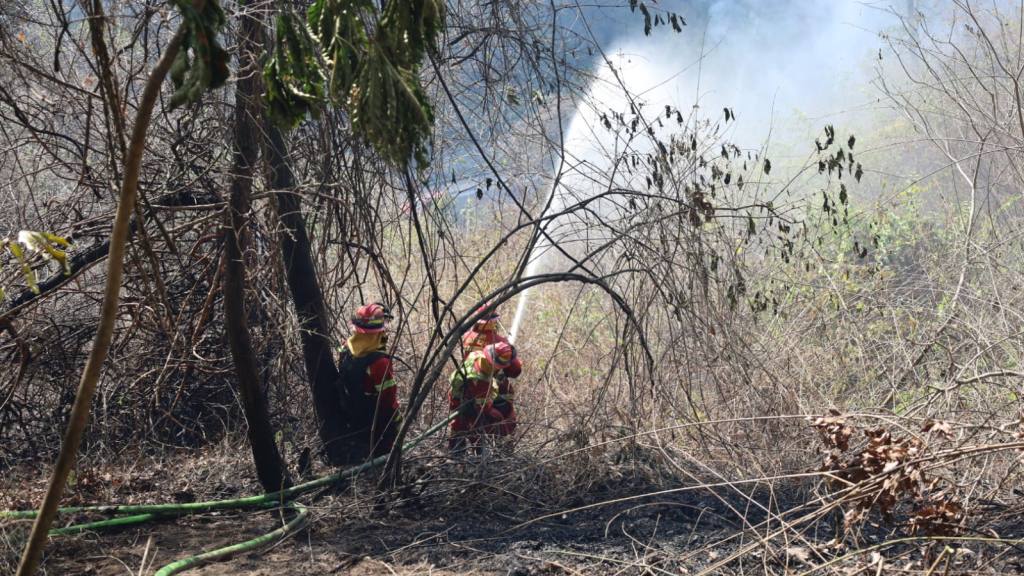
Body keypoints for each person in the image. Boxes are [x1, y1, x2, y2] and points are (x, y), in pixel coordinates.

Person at [337, 302, 400, 458]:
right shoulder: (379, 363)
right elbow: (388, 401)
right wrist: (397, 423)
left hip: (352, 417)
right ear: (377, 333)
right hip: (376, 424)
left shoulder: (346, 348)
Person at [461, 306, 522, 436]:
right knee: (503, 421)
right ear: (494, 321)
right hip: (494, 392)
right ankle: (501, 448)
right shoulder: (499, 341)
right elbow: (515, 371)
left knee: (468, 424)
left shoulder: (466, 337)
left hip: (468, 387)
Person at [448, 341, 517, 451]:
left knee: (460, 425)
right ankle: (465, 455)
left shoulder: (477, 355)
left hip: (462, 393)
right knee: (471, 426)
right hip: (465, 401)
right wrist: (497, 415)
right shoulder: (480, 380)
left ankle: (461, 451)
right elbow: (483, 406)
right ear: (492, 362)